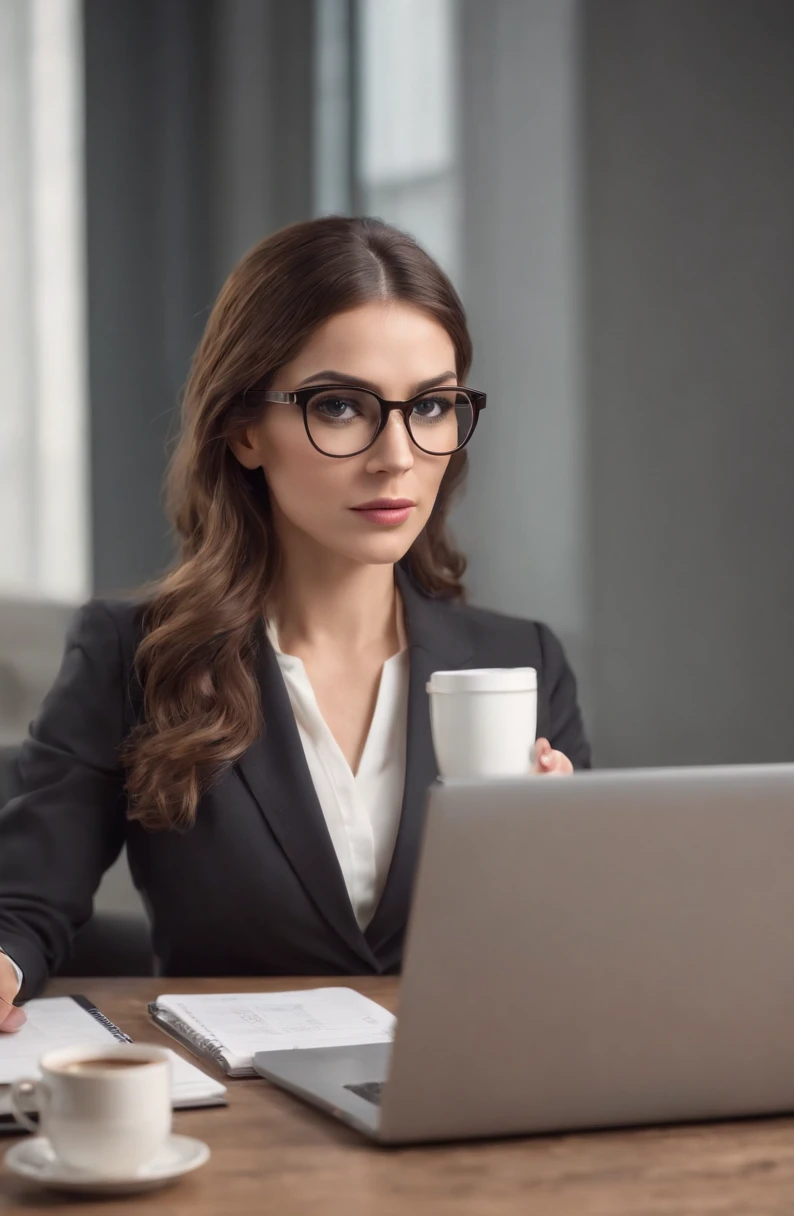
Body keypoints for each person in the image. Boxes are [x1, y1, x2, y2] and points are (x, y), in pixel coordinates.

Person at [0, 216, 589, 1032]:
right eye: (341, 406)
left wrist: (556, 864)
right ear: (244, 430)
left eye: (433, 406)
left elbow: (565, 959)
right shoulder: (133, 656)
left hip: (458, 1104)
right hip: (236, 1126)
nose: (398, 455)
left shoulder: (521, 662)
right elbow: (23, 906)